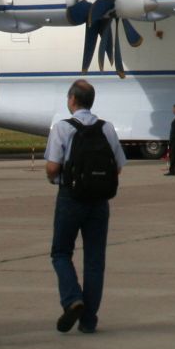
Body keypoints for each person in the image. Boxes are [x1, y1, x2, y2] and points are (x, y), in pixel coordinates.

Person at [44, 79, 126, 334]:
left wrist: (54, 176)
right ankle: (88, 320)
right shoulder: (107, 128)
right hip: (99, 201)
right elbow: (119, 165)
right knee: (94, 260)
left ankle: (72, 299)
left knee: (61, 252)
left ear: (71, 100)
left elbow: (53, 167)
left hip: (71, 196)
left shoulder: (62, 128)